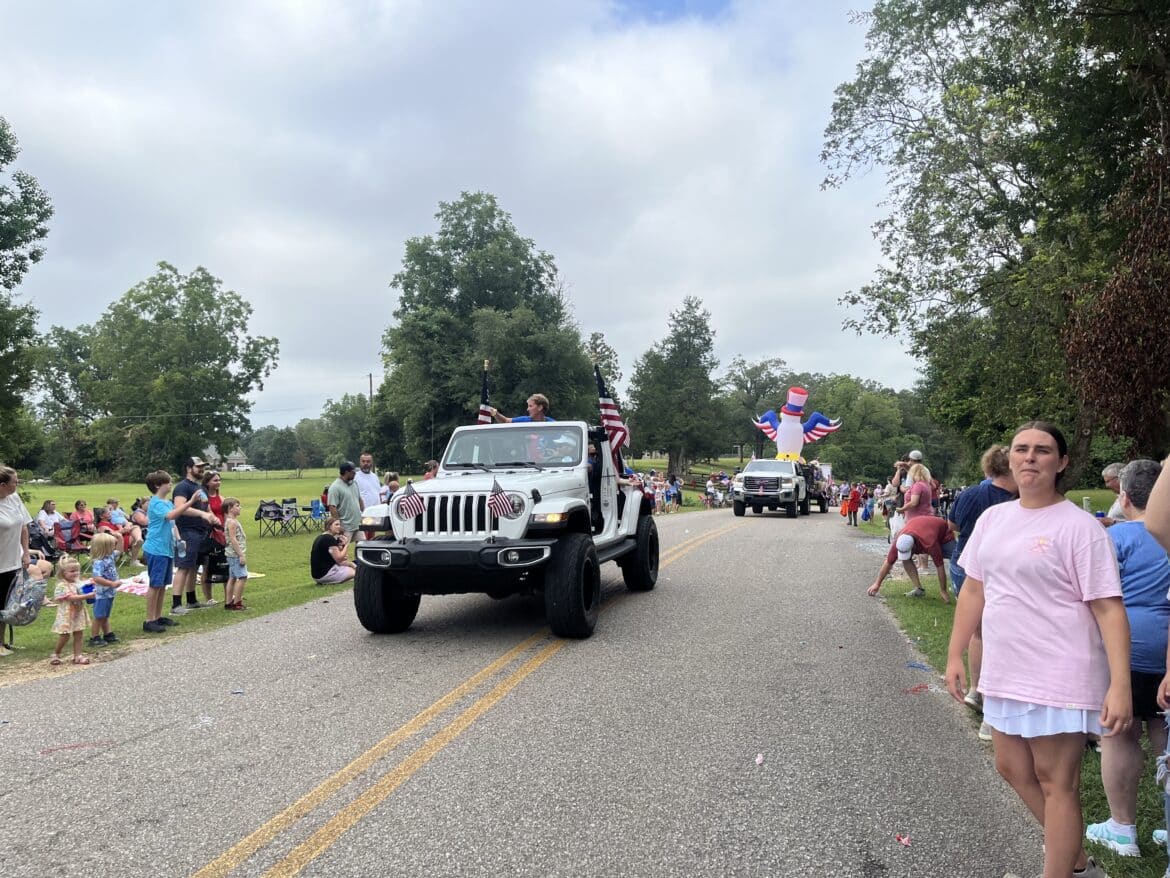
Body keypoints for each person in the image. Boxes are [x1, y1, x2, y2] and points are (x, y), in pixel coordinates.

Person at [946, 421, 1130, 878]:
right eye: (1021, 449)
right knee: (1010, 766)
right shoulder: (994, 519)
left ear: (1061, 462)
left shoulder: (1080, 528)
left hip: (1061, 669)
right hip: (1006, 667)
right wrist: (954, 655)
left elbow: (1109, 609)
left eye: (1042, 450)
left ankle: (1059, 871)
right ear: (1008, 459)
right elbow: (974, 589)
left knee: (1056, 780)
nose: (1030, 457)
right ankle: (1075, 860)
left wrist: (1120, 685)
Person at [1080, 459, 1170, 858]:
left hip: (1128, 648)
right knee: (1165, 735)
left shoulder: (1115, 539)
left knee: (1119, 733)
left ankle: (1122, 827)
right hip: (1167, 652)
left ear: (1125, 496)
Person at [947, 444, 1017, 739]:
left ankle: (977, 690)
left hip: (964, 563)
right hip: (999, 571)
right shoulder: (1017, 501)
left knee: (978, 631)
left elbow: (951, 524)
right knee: (998, 633)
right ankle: (994, 705)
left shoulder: (970, 493)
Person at [141, 469, 203, 634]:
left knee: (162, 585)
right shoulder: (156, 503)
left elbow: (172, 524)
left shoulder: (167, 502)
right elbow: (171, 516)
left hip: (166, 549)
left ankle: (157, 616)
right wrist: (190, 502)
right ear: (157, 485)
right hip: (156, 549)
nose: (171, 484)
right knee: (155, 585)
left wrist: (179, 539)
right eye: (168, 482)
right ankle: (149, 620)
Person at [170, 456, 218, 616]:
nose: (202, 469)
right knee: (184, 567)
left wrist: (212, 516)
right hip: (187, 531)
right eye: (198, 467)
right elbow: (179, 508)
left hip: (201, 532)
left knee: (194, 567)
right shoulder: (182, 487)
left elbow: (206, 507)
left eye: (203, 467)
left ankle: (191, 600)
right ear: (189, 468)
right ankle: (176, 604)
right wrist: (202, 514)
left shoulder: (200, 487)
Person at [866, 516, 954, 601]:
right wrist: (877, 584)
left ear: (914, 546)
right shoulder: (899, 541)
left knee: (956, 558)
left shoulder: (930, 542)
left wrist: (943, 591)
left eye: (909, 551)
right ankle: (919, 590)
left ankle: (957, 587)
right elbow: (888, 562)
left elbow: (939, 566)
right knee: (906, 559)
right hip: (921, 527)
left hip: (944, 534)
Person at [0, 466, 32, 657]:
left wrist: (26, 552)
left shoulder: (13, 498)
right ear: (2, 485)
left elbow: (24, 527)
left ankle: (2, 642)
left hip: (13, 561)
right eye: (15, 482)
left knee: (7, 604)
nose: (17, 484)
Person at [49, 555, 90, 665]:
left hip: (78, 612)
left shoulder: (77, 583)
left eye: (77, 571)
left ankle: (78, 655)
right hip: (66, 614)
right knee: (65, 635)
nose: (76, 573)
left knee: (79, 633)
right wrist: (87, 596)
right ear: (63, 573)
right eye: (72, 571)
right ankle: (56, 653)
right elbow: (70, 597)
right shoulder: (62, 585)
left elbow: (83, 589)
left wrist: (89, 587)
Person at [87, 532, 121, 649]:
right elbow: (97, 578)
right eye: (112, 545)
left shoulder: (110, 556)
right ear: (105, 548)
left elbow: (120, 550)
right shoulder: (99, 562)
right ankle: (94, 637)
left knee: (105, 614)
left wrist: (120, 538)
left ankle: (108, 633)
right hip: (102, 593)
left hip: (109, 592)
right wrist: (112, 583)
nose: (114, 547)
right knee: (99, 616)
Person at [197, 469, 226, 605]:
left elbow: (226, 514)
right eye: (215, 480)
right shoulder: (203, 498)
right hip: (209, 533)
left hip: (222, 534)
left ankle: (229, 595)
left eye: (219, 480)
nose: (218, 482)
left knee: (224, 565)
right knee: (207, 567)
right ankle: (208, 598)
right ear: (207, 482)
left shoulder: (221, 498)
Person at [222, 497, 249, 610]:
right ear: (230, 508)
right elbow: (233, 539)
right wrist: (241, 555)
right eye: (237, 506)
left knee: (232, 578)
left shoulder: (230, 521)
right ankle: (237, 602)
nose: (240, 508)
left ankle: (228, 602)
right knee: (242, 577)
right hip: (235, 554)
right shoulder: (232, 522)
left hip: (231, 554)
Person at [311, 517, 356, 584]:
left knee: (354, 566)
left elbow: (342, 559)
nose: (339, 527)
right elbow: (339, 559)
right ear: (329, 526)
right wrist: (346, 545)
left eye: (339, 524)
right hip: (325, 574)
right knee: (356, 572)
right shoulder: (329, 538)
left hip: (317, 575)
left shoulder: (322, 537)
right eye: (336, 524)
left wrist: (343, 545)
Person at [327, 461, 362, 544]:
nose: (355, 474)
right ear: (346, 472)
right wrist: (338, 525)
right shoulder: (335, 487)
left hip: (357, 525)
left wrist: (364, 513)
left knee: (363, 547)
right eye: (353, 472)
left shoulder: (354, 483)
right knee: (342, 548)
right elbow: (332, 507)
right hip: (345, 527)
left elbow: (359, 499)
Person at [107, 497, 144, 564]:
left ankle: (138, 540)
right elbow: (108, 516)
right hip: (118, 527)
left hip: (124, 524)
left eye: (117, 502)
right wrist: (110, 508)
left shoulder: (119, 509)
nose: (117, 504)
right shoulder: (108, 511)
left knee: (135, 527)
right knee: (133, 530)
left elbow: (127, 516)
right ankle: (133, 559)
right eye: (115, 502)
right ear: (110, 504)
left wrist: (127, 519)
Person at [489, 393, 554, 423]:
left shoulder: (552, 425)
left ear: (540, 407)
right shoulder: (525, 420)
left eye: (530, 406)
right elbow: (506, 421)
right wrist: (495, 413)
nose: (527, 409)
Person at [1101, 462, 1128, 527]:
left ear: (1119, 478)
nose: (1106, 485)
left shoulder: (1132, 498)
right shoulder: (1121, 495)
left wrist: (1113, 522)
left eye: (1108, 481)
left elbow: (1139, 524)